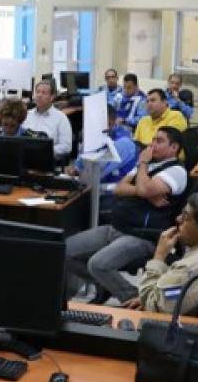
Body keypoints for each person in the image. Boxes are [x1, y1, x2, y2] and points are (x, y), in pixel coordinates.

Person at [65, 127, 187, 305]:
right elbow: (119, 189)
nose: (152, 144)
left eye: (159, 141)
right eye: (153, 140)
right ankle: (105, 286)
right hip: (117, 227)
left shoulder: (176, 171)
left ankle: (134, 299)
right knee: (65, 251)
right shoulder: (149, 166)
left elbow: (144, 189)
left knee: (98, 264)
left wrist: (143, 166)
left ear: (174, 147)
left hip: (142, 235)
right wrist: (144, 191)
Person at [131, 192, 198, 315]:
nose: (178, 219)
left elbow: (154, 305)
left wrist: (159, 256)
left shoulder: (191, 266)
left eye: (185, 216)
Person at [66, 105, 138, 212]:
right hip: (94, 188)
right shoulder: (94, 136)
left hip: (113, 193)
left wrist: (79, 170)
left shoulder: (124, 142)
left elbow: (99, 171)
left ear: (111, 122)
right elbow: (79, 163)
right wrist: (74, 168)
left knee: (75, 208)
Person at [22, 80, 73, 160]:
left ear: (52, 97)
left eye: (44, 93)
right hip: (25, 158)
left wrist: (44, 151)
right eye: (37, 92)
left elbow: (66, 146)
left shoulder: (61, 118)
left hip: (46, 160)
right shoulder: (27, 115)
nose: (39, 95)